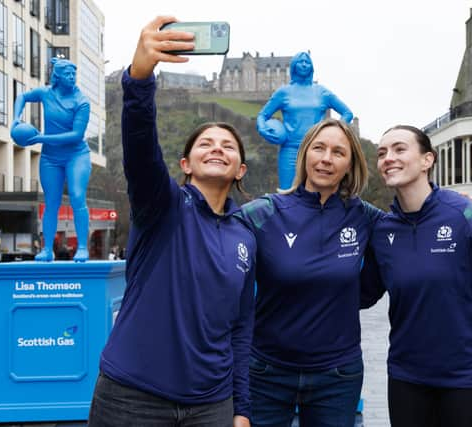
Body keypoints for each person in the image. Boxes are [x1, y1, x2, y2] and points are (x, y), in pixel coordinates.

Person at [88, 16, 256, 427]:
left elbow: (240, 329)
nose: (217, 148)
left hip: (212, 405)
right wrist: (140, 79)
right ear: (185, 164)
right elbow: (141, 147)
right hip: (132, 397)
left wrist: (241, 408)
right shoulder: (161, 206)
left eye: (228, 146)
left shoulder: (246, 236)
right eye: (205, 144)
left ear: (240, 170)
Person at [361, 125, 472, 427]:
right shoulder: (382, 231)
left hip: (464, 381)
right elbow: (362, 295)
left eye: (399, 149)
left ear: (427, 160)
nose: (388, 158)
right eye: (382, 153)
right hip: (406, 380)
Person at [238, 118, 381, 426]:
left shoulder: (364, 217)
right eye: (319, 148)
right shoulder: (265, 212)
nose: (326, 159)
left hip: (337, 375)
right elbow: (213, 234)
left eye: (338, 152)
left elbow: (410, 232)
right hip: (266, 370)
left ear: (350, 164)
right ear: (305, 154)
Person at [12, 58, 91, 262]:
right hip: (50, 157)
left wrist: (41, 138)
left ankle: (82, 247)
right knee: (51, 203)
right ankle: (47, 250)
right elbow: (21, 96)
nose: (72, 78)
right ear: (57, 76)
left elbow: (76, 135)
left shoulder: (81, 102)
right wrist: (15, 118)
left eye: (74, 74)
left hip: (76, 155)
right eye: (67, 74)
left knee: (76, 195)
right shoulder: (46, 93)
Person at [256, 51, 353, 190]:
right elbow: (262, 115)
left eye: (307, 62)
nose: (304, 64)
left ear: (312, 67)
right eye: (300, 62)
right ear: (293, 66)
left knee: (318, 193)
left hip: (317, 150)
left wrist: (335, 132)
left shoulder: (322, 92)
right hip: (290, 149)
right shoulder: (283, 92)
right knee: (287, 192)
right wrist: (263, 128)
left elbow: (347, 113)